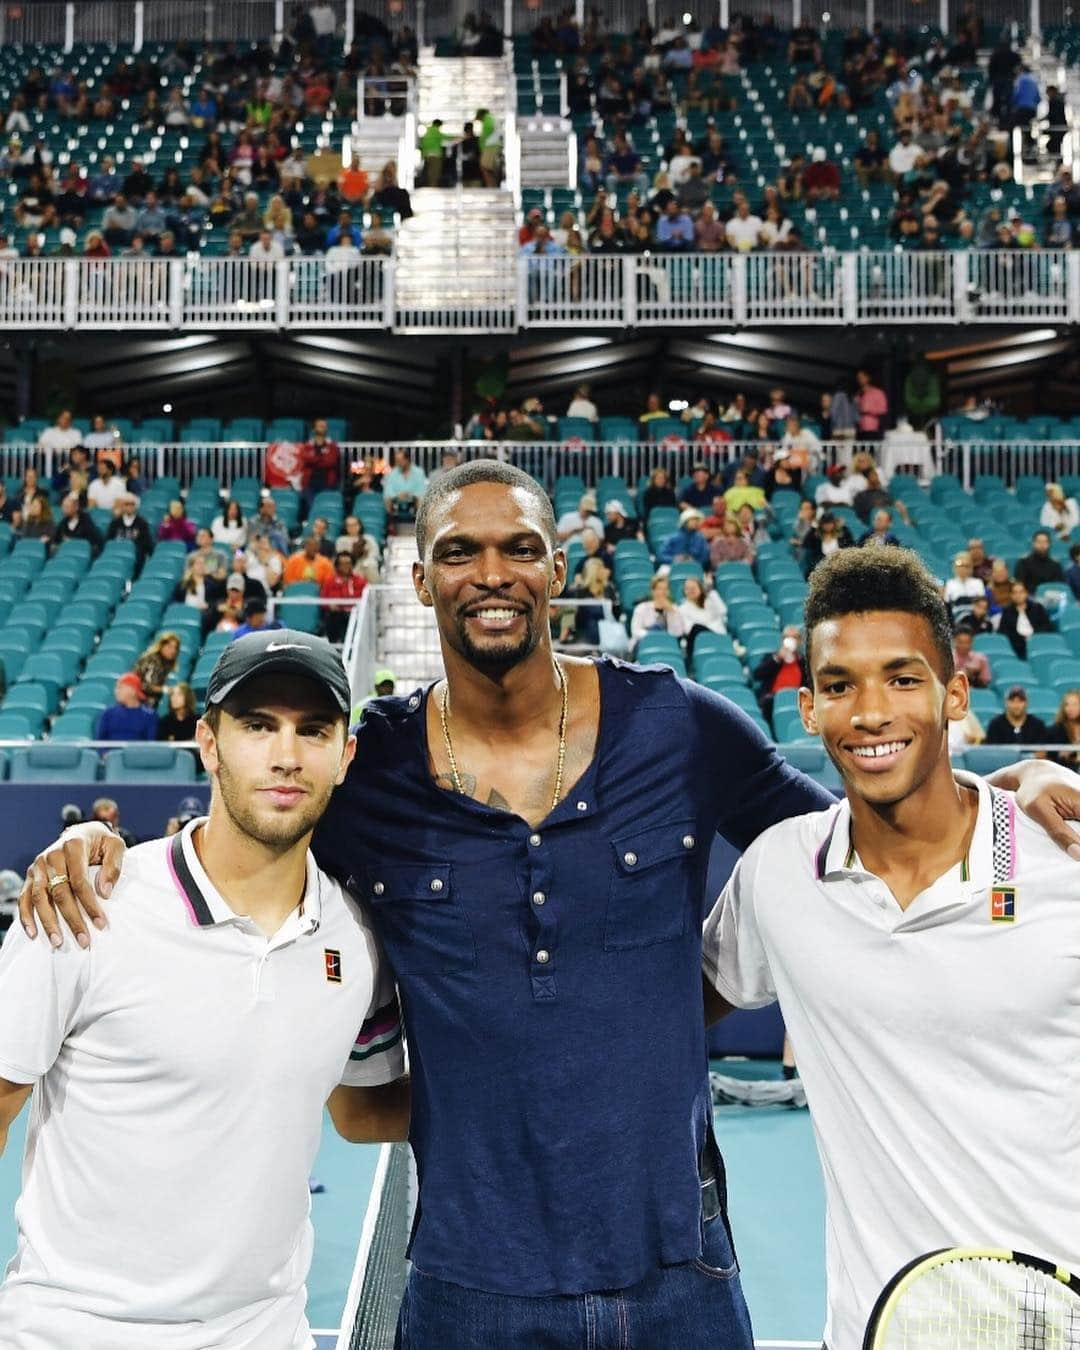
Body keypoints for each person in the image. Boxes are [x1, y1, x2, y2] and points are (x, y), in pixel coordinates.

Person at [19, 463, 1080, 1350]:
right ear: (419, 578)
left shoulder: (683, 728)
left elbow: (870, 829)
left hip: (682, 1275)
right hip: (465, 1284)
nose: (493, 573)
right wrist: (100, 844)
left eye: (519, 548)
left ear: (556, 568)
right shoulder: (368, 767)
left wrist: (1011, 795)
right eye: (460, 552)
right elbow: (255, 817)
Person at [702, 547, 1080, 1350]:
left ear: (955, 694)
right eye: (840, 685)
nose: (871, 712)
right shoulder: (779, 874)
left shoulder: (1063, 860)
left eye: (904, 679)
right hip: (877, 1330)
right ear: (807, 708)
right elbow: (651, 1012)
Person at [0, 632, 406, 1347]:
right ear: (208, 743)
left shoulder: (357, 937)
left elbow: (362, 1110)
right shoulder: (84, 904)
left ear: (344, 758)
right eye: (257, 726)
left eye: (313, 731)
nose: (286, 755)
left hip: (265, 1334)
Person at [752, 626, 808, 719]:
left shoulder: (804, 663)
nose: (790, 640)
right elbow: (757, 675)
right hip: (773, 701)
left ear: (799, 641)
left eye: (794, 637)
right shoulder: (771, 658)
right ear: (782, 640)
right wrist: (777, 658)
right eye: (787, 637)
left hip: (797, 701)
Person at [629, 572, 687, 650]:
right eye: (659, 589)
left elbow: (677, 633)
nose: (662, 592)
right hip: (645, 643)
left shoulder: (674, 609)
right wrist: (654, 635)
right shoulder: (641, 608)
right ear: (652, 591)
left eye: (665, 589)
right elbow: (635, 631)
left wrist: (672, 612)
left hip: (666, 645)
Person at [320, 551, 368, 643]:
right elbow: (323, 599)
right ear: (337, 566)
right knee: (333, 619)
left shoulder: (360, 581)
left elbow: (366, 599)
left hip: (355, 614)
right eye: (342, 564)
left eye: (348, 563)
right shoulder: (330, 581)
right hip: (335, 615)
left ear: (352, 564)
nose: (346, 566)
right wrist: (330, 605)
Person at [998, 580, 1053, 659]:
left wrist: (1033, 637)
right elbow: (1003, 631)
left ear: (1026, 593)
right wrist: (1022, 639)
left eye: (1021, 592)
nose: (1018, 595)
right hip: (1017, 647)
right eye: (1015, 593)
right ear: (1011, 595)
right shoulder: (1007, 611)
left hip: (1037, 642)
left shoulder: (1037, 608)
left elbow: (1047, 626)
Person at [96, 673, 158, 741]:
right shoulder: (108, 714)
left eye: (120, 688)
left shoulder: (149, 716)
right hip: (111, 751)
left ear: (133, 691)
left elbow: (150, 745)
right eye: (116, 688)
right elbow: (99, 743)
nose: (116, 691)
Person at [105, 493, 153, 570]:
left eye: (132, 504)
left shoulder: (142, 523)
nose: (130, 507)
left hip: (136, 558)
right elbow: (109, 541)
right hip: (118, 556)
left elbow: (147, 543)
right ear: (122, 506)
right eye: (127, 504)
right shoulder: (115, 523)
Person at [133, 633, 181, 709]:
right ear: (161, 646)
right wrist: (165, 689)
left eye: (175, 648)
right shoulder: (153, 660)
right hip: (138, 703)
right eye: (169, 647)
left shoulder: (165, 663)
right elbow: (145, 686)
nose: (173, 651)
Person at [383, 448, 427, 520]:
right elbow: (387, 491)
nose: (398, 463)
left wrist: (410, 495)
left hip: (414, 499)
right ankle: (390, 525)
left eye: (400, 461)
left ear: (407, 459)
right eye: (397, 461)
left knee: (421, 500)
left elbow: (422, 490)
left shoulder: (419, 472)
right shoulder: (392, 473)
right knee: (387, 499)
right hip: (396, 499)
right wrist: (397, 495)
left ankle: (419, 524)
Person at [943, 551, 987, 624]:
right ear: (955, 567)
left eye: (966, 565)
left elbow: (982, 604)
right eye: (960, 565)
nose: (963, 568)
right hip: (956, 619)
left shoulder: (978, 582)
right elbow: (947, 605)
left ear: (971, 567)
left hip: (976, 618)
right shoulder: (950, 583)